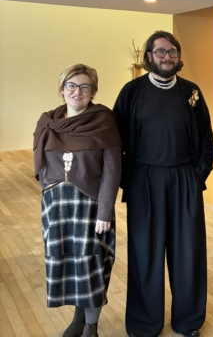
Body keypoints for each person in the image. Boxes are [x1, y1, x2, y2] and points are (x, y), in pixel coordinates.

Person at [113, 30, 213, 337]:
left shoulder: (191, 92)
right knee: (145, 254)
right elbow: (115, 142)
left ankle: (188, 321)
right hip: (144, 182)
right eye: (160, 52)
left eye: (172, 52)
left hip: (185, 181)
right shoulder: (132, 92)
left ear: (178, 57)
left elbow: (207, 140)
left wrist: (197, 177)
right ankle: (145, 324)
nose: (167, 57)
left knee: (188, 254)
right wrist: (129, 181)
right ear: (149, 57)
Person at [33, 64, 122, 337]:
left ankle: (91, 327)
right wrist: (49, 189)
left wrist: (105, 211)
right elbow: (39, 159)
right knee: (68, 265)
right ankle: (78, 318)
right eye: (71, 85)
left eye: (85, 86)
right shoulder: (48, 122)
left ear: (93, 91)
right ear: (62, 90)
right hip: (57, 207)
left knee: (91, 266)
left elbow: (113, 170)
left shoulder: (104, 121)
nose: (77, 91)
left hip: (91, 206)